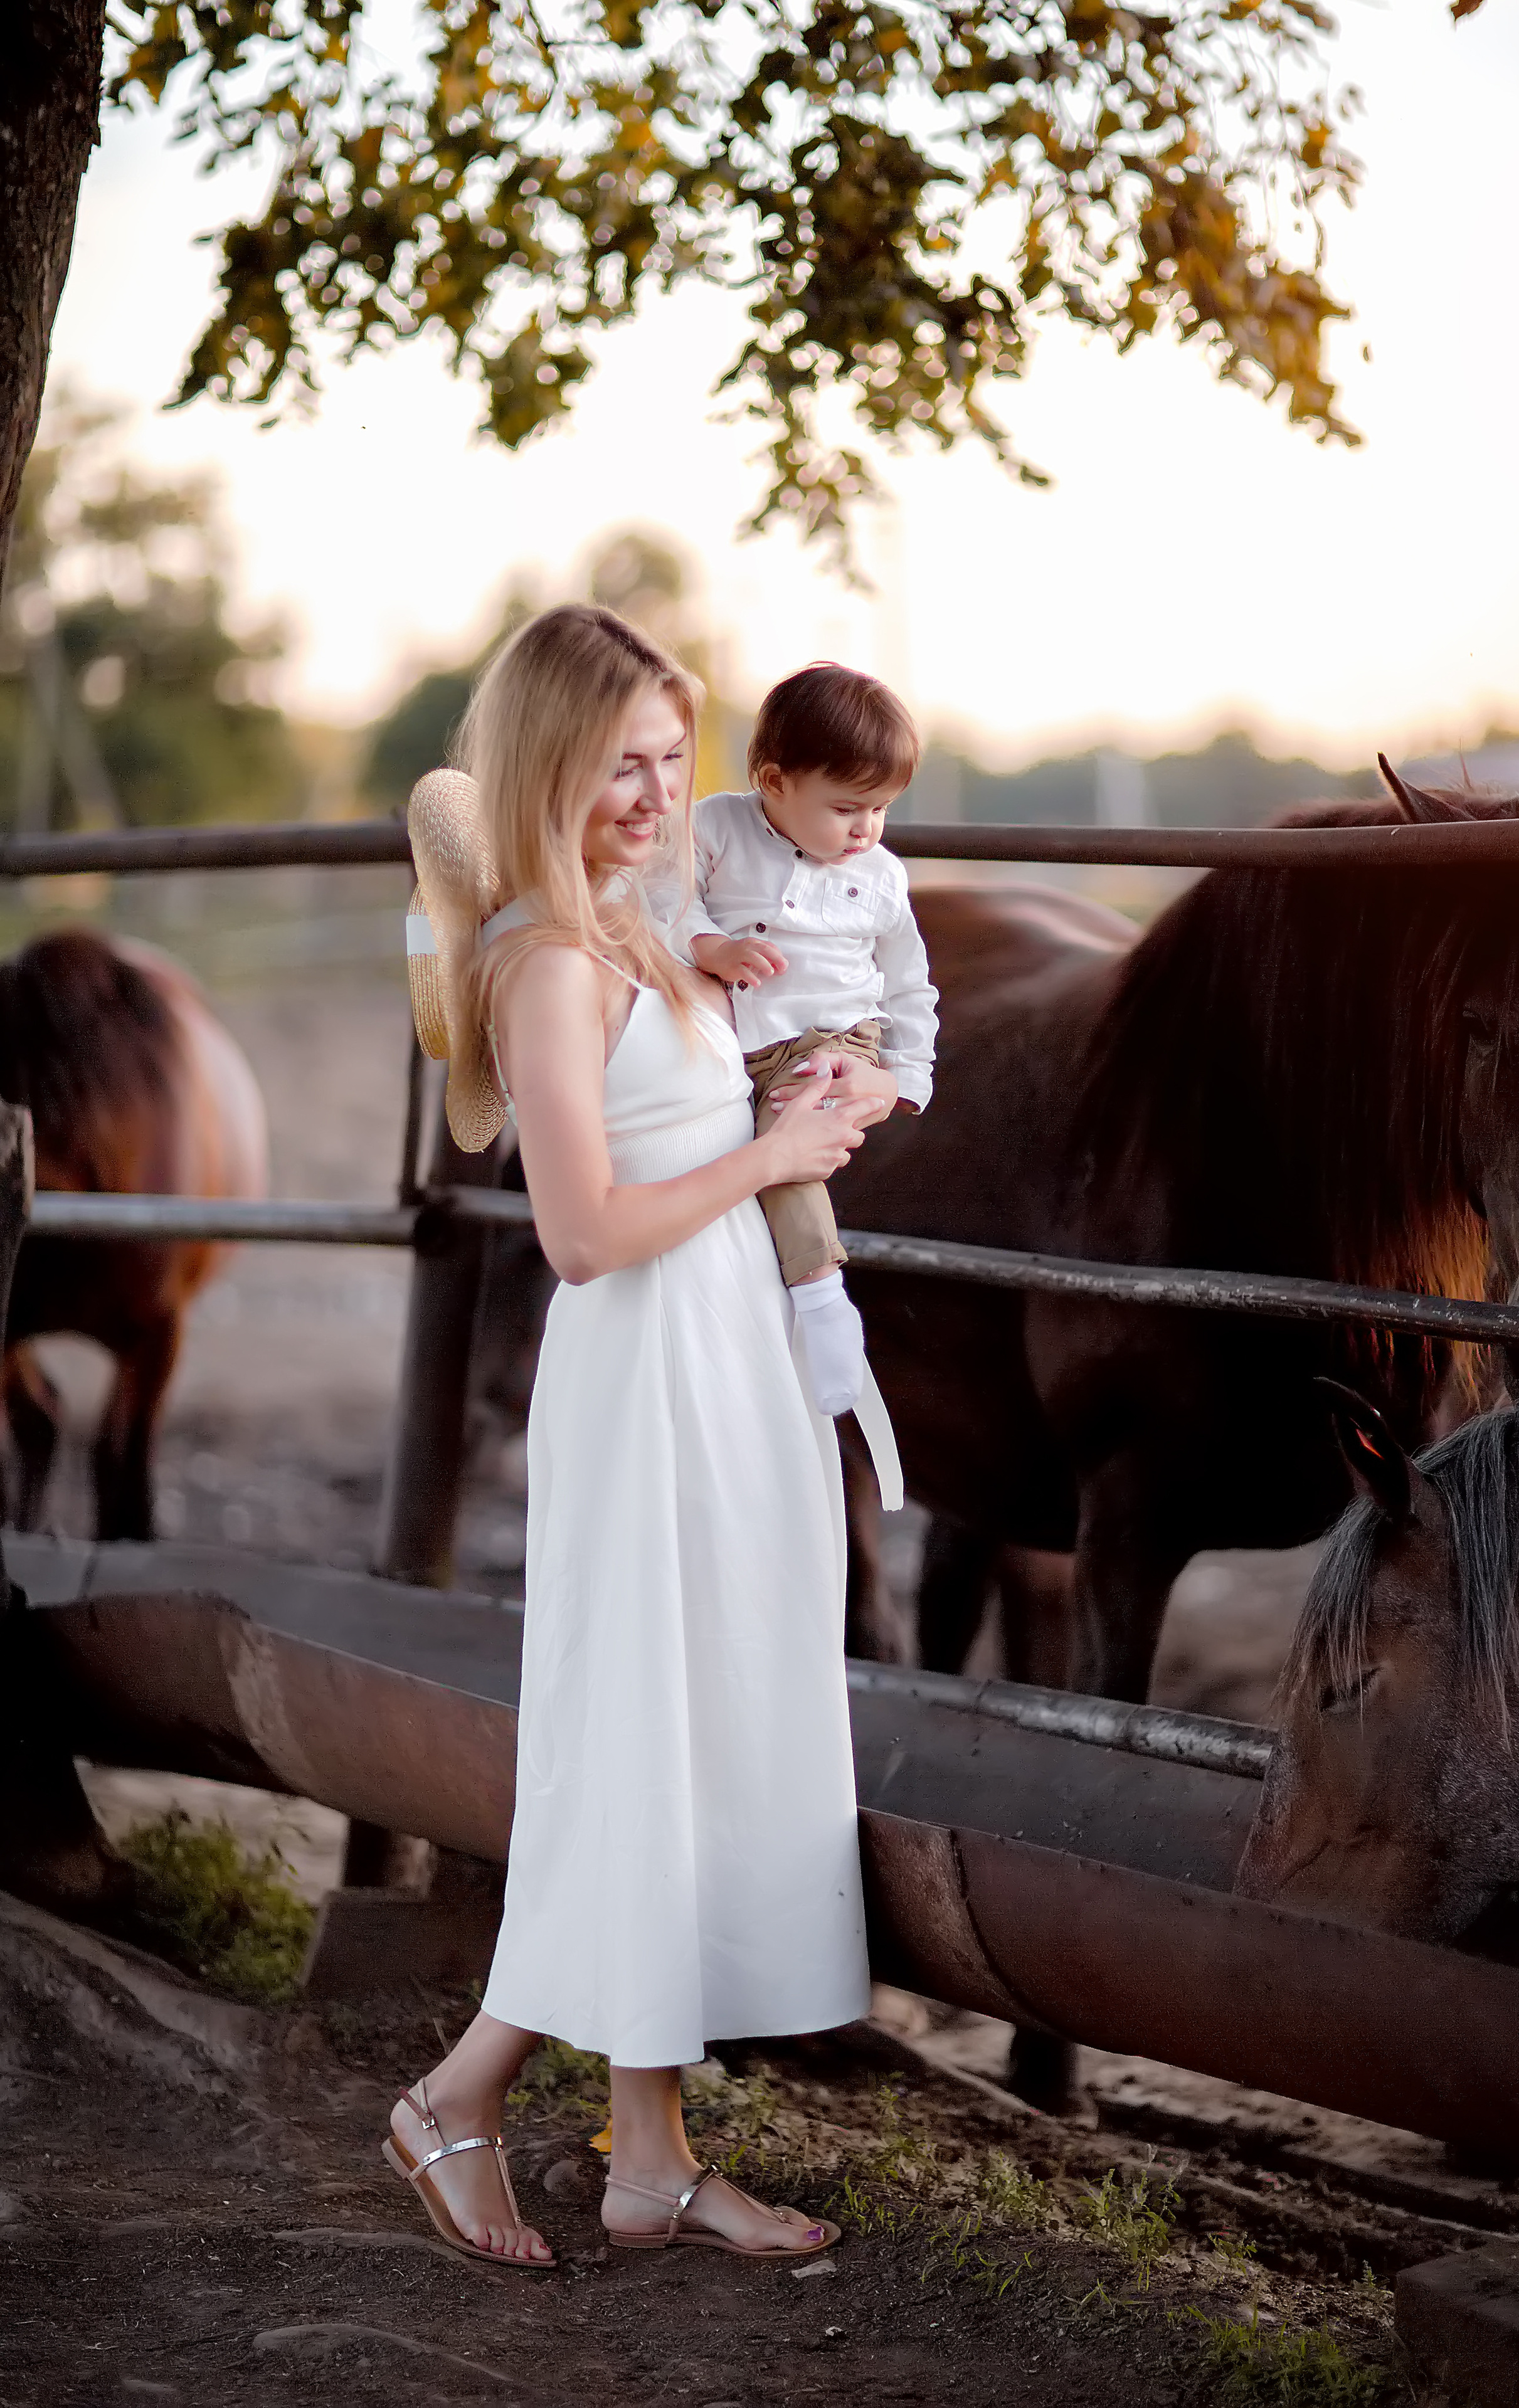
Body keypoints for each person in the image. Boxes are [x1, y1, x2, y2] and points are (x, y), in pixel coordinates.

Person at [385, 604, 897, 2268]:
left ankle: (649, 2159)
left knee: (695, 1754)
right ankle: (455, 2097)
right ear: (548, 758)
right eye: (622, 762)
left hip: (728, 1362)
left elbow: (721, 1106)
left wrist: (820, 1099)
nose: (655, 790)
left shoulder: (637, 923)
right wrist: (770, 1158)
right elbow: (585, 1231)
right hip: (645, 1370)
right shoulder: (543, 953)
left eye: (674, 760)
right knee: (633, 1758)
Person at [650, 664, 938, 1420]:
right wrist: (708, 946)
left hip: (837, 1038)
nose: (866, 830)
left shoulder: (880, 876)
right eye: (847, 808)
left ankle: (822, 1303)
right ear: (774, 782)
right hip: (734, 1037)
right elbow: (658, 898)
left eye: (880, 809)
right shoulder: (715, 827)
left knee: (788, 1130)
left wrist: (906, 1078)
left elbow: (911, 985)